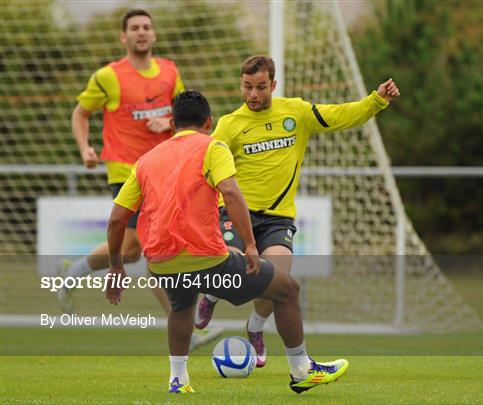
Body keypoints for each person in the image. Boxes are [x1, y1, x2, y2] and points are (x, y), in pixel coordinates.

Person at [106, 90, 349, 394]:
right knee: (287, 289)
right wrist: (249, 244)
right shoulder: (213, 148)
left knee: (181, 309)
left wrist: (116, 266)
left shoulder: (145, 161)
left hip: (161, 263)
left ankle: (178, 381)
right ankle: (302, 370)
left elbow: (117, 219)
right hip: (208, 260)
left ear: (171, 123)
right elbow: (231, 193)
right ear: (208, 122)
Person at [196, 55, 401, 367]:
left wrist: (376, 101)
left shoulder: (296, 112)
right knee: (231, 263)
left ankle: (255, 327)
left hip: (277, 217)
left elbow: (340, 115)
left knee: (277, 275)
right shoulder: (229, 125)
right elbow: (204, 166)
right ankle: (210, 297)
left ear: (273, 85)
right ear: (241, 85)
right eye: (248, 87)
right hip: (237, 214)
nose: (253, 94)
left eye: (261, 87)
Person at [56, 9, 218, 349]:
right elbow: (80, 112)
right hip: (126, 169)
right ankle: (187, 334)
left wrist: (168, 121)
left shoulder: (170, 72)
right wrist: (85, 148)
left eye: (146, 27)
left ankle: (74, 272)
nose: (141, 33)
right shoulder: (109, 77)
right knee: (149, 248)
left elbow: (184, 112)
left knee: (135, 251)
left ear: (154, 35)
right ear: (123, 37)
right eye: (134, 28)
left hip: (164, 168)